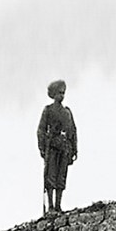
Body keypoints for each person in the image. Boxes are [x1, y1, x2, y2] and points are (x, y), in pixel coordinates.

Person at [37, 79, 77, 214]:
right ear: (53, 94)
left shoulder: (67, 112)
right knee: (51, 176)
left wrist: (74, 148)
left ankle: (58, 205)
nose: (62, 95)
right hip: (52, 147)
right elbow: (41, 129)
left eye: (63, 93)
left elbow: (73, 131)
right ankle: (51, 206)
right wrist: (42, 147)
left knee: (61, 177)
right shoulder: (48, 110)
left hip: (64, 148)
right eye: (59, 93)